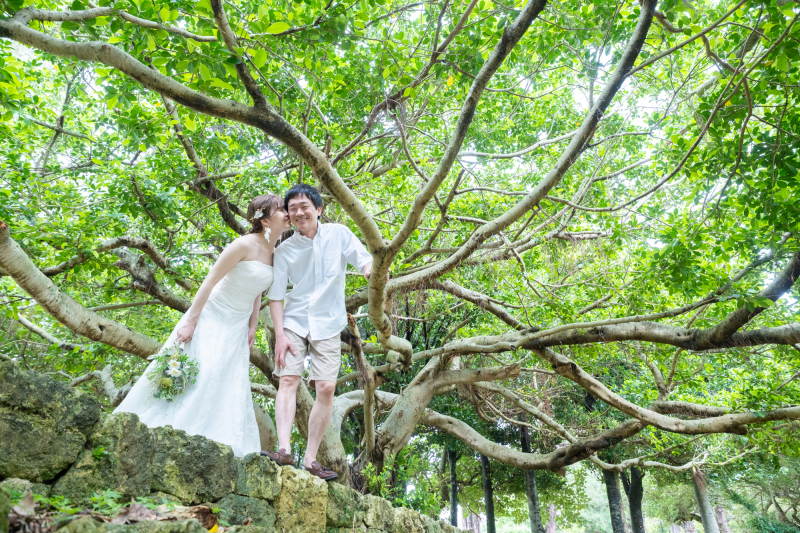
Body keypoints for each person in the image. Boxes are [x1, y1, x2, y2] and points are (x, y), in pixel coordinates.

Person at [114, 194, 291, 457]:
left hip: (238, 324)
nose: (288, 213)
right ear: (264, 220)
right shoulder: (243, 244)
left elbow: (258, 289)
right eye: (281, 209)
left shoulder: (275, 253)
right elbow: (209, 281)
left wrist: (253, 324)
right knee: (205, 371)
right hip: (213, 315)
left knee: (228, 379)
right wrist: (191, 322)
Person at [263, 183, 372, 480]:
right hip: (294, 321)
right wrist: (280, 335)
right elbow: (276, 297)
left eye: (304, 207)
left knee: (326, 388)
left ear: (319, 209)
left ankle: (310, 459)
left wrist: (370, 271)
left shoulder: (339, 234)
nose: (299, 213)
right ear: (288, 214)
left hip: (328, 321)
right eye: (292, 209)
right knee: (288, 379)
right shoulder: (284, 250)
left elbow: (363, 258)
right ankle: (284, 449)